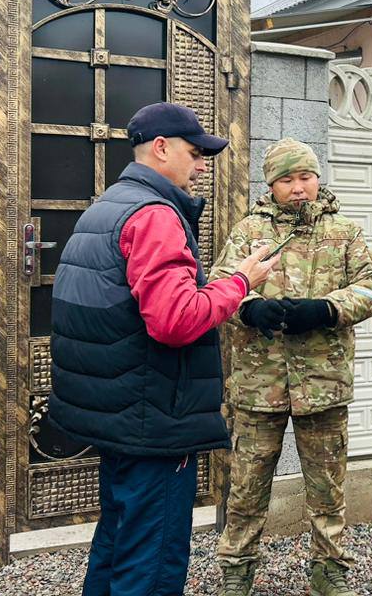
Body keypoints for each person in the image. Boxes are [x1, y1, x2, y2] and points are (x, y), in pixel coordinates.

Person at [48, 102, 279, 596]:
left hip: (117, 413)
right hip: (153, 417)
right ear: (161, 148)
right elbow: (175, 320)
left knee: (117, 539)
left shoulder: (110, 205)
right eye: (196, 154)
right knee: (151, 557)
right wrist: (241, 281)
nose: (201, 167)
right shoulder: (155, 216)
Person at [211, 138, 372, 596]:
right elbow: (218, 285)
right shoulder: (249, 231)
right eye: (287, 179)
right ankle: (237, 567)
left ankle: (330, 569)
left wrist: (328, 310)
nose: (298, 188)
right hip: (258, 383)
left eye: (305, 177)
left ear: (317, 177)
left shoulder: (344, 232)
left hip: (323, 384)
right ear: (272, 184)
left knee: (327, 488)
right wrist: (248, 308)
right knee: (247, 485)